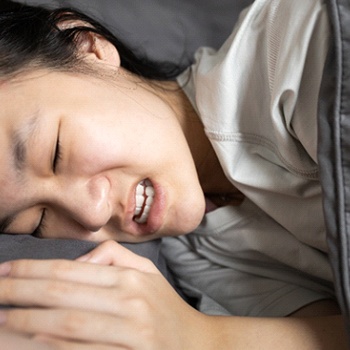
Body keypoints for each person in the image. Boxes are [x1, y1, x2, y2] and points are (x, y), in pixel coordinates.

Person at [0, 0, 347, 348]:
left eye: (56, 153)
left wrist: (206, 337)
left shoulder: (292, 49)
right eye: (39, 221)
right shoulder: (196, 255)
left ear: (90, 47)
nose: (92, 214)